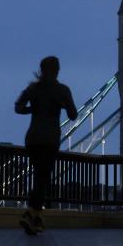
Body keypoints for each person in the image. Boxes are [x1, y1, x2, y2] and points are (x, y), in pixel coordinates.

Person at [14, 56, 78, 235]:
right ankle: (30, 213)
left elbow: (18, 107)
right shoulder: (62, 90)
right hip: (50, 139)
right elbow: (73, 115)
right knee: (42, 178)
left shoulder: (33, 89)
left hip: (32, 138)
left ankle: (37, 219)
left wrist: (32, 109)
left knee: (38, 177)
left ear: (41, 70)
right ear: (57, 70)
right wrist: (63, 105)